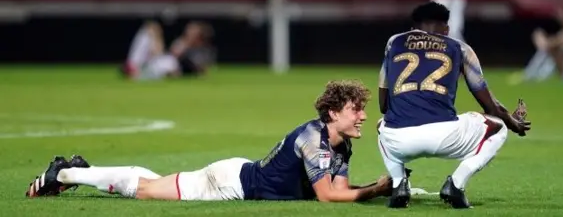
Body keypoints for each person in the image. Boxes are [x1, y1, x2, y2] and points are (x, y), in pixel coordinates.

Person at [26, 80, 399, 202]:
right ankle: (65, 175)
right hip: (226, 184)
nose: (363, 115)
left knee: (151, 183)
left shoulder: (339, 143)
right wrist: (378, 189)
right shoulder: (312, 138)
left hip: (236, 174)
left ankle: (81, 170)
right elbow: (326, 197)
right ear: (334, 113)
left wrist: (373, 188)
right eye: (355, 109)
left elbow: (342, 188)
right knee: (143, 191)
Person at [377, 1, 530, 209]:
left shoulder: (394, 42)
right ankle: (456, 185)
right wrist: (514, 123)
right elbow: (491, 107)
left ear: (413, 28)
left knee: (381, 124)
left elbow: (383, 104)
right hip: (445, 135)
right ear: (447, 29)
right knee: (498, 127)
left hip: (399, 140)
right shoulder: (459, 47)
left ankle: (398, 184)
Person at [122, 21, 214, 80]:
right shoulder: (182, 43)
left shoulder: (198, 48)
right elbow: (174, 52)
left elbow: (200, 67)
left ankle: (135, 72)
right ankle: (135, 71)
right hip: (164, 63)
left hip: (169, 64)